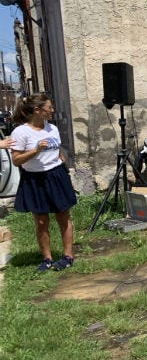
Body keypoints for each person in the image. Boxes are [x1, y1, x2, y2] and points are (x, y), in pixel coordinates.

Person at [10, 94, 77, 271]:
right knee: (41, 221)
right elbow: (16, 161)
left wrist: (61, 162)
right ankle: (47, 259)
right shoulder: (20, 132)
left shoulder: (52, 128)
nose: (52, 110)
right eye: (49, 107)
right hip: (35, 179)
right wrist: (36, 150)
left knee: (63, 217)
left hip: (56, 175)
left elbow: (57, 150)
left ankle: (68, 256)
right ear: (38, 110)